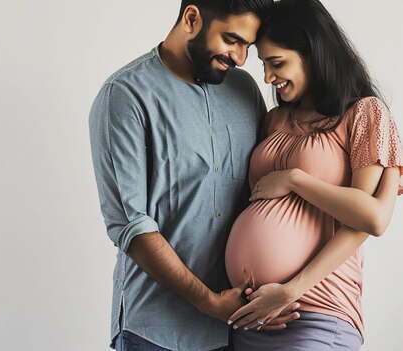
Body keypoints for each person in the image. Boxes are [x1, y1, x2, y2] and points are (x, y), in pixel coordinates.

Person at [89, 1, 301, 350]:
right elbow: (131, 226)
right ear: (191, 18)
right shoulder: (125, 95)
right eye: (232, 39)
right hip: (154, 332)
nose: (241, 57)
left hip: (239, 330)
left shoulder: (245, 90)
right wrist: (207, 301)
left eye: (248, 46)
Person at [222, 0, 403, 350]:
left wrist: (294, 179)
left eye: (277, 63)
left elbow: (363, 220)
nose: (268, 78)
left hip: (315, 312)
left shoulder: (364, 113)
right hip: (251, 315)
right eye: (264, 65)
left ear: (314, 53)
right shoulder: (274, 120)